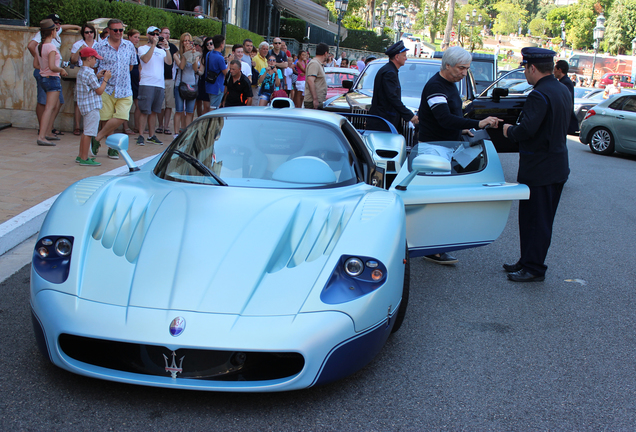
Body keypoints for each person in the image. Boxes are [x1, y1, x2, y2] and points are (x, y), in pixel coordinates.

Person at [417, 46, 502, 265]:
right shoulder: (436, 86)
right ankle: (430, 247)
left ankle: (432, 245)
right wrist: (476, 123)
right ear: (447, 65)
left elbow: (450, 117)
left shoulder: (449, 84)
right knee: (436, 202)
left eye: (467, 68)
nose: (465, 73)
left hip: (443, 146)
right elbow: (444, 119)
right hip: (434, 149)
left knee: (439, 200)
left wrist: (462, 129)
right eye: (461, 68)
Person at [502, 48, 571, 282]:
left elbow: (526, 130)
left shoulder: (538, 94)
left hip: (540, 168)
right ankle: (527, 260)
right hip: (555, 165)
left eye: (525, 68)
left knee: (536, 220)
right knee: (535, 218)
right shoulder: (561, 89)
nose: (525, 73)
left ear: (532, 68)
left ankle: (533, 267)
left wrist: (508, 130)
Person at [27, 13, 80, 139]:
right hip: (49, 75)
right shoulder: (46, 40)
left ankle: (47, 130)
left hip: (50, 74)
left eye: (58, 23)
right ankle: (43, 132)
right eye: (55, 23)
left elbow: (63, 27)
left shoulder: (49, 38)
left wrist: (77, 27)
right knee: (45, 104)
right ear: (50, 29)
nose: (58, 25)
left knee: (56, 103)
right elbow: (31, 46)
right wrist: (55, 67)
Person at [92, 19, 138, 159]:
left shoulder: (129, 45)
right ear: (109, 31)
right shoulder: (100, 46)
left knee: (122, 116)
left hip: (124, 88)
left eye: (121, 30)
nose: (118, 33)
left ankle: (97, 137)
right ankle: (111, 148)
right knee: (106, 118)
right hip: (107, 87)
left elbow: (131, 65)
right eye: (115, 30)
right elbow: (95, 66)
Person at [368, 41, 419, 134]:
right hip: (384, 122)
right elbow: (392, 97)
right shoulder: (389, 73)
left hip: (384, 121)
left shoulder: (390, 70)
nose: (406, 58)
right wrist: (409, 115)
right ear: (397, 57)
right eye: (404, 55)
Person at [135, 26, 172, 146]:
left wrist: (167, 48)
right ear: (147, 35)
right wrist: (153, 45)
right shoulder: (142, 48)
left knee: (154, 112)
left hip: (159, 84)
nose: (155, 36)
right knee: (144, 111)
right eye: (152, 34)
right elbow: (145, 59)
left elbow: (169, 62)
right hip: (147, 83)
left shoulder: (161, 50)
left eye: (157, 34)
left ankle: (151, 135)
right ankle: (141, 135)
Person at [35, 18, 68, 146]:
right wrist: (61, 70)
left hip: (44, 78)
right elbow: (52, 66)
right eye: (55, 29)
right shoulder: (51, 47)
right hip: (52, 78)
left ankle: (46, 133)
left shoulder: (41, 46)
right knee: (49, 108)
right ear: (52, 31)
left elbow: (37, 64)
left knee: (52, 107)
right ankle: (42, 136)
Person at [76, 47, 111, 166]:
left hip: (85, 106)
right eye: (95, 59)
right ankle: (85, 158)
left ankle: (81, 155)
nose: (96, 61)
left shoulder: (83, 71)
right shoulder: (89, 73)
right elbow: (100, 91)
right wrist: (105, 79)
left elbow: (89, 84)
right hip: (92, 107)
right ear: (89, 58)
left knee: (86, 132)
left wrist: (98, 77)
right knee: (89, 133)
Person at [69, 23, 98, 136]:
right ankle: (77, 126)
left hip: (95, 73)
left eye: (91, 32)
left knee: (93, 100)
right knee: (79, 101)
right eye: (87, 32)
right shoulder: (78, 44)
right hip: (83, 73)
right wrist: (80, 50)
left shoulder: (98, 44)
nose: (89, 34)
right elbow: (73, 60)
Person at [173, 32, 202, 137]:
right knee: (179, 110)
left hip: (192, 85)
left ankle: (187, 133)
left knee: (190, 111)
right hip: (180, 85)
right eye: (184, 41)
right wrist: (185, 54)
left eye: (188, 41)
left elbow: (195, 69)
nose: (186, 43)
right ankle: (176, 133)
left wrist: (193, 56)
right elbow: (181, 66)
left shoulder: (196, 54)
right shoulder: (176, 54)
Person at [157, 27, 178, 135]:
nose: (167, 35)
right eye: (165, 33)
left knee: (169, 104)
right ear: (160, 34)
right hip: (159, 79)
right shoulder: (155, 46)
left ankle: (166, 126)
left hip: (170, 79)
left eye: (169, 33)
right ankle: (160, 125)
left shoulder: (172, 47)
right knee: (161, 104)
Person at [554, 60, 579, 134]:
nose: (554, 72)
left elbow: (566, 101)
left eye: (555, 70)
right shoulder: (564, 82)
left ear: (560, 70)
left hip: (564, 119)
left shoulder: (566, 83)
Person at [124, 28, 141, 135]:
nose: (137, 39)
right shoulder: (125, 48)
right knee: (127, 104)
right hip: (127, 77)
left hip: (135, 78)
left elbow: (139, 66)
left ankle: (137, 126)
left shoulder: (137, 49)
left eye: (138, 37)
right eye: (135, 37)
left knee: (138, 104)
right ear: (129, 37)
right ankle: (125, 127)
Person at [205, 34, 229, 110]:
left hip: (209, 84)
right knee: (214, 108)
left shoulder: (209, 54)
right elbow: (226, 73)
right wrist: (229, 62)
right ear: (221, 44)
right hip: (217, 86)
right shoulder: (220, 58)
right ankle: (212, 122)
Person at [304, 43, 329, 109]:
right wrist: (315, 99)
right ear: (326, 53)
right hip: (312, 102)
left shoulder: (318, 64)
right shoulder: (314, 63)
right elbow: (310, 81)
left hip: (317, 101)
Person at [196, 37, 214, 116]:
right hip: (205, 82)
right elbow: (201, 71)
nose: (209, 45)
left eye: (211, 43)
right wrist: (196, 70)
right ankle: (202, 124)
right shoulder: (204, 56)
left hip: (214, 82)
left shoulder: (218, 56)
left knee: (211, 106)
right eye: (207, 44)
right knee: (206, 106)